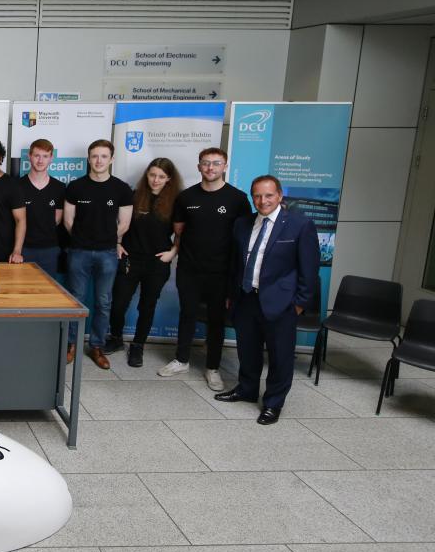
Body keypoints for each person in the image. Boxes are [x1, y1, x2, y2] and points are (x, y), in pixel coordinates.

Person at [217, 175, 319, 425]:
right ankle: (247, 390)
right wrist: (232, 295)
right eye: (258, 196)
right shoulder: (242, 224)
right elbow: (235, 264)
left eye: (269, 195)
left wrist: (299, 303)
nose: (263, 201)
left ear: (280, 196)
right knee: (247, 351)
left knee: (280, 356)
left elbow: (309, 269)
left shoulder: (300, 225)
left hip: (281, 303)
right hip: (246, 299)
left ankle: (273, 403)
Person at [160, 148, 252, 388]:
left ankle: (212, 367)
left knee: (216, 320)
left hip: (221, 272)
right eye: (205, 163)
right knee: (187, 314)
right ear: (199, 166)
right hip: (189, 269)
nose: (210, 168)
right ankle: (181, 360)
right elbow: (179, 230)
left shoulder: (238, 199)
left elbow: (243, 237)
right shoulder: (186, 198)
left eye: (216, 163)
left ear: (225, 166)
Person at [103, 158, 182, 368]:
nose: (156, 180)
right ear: (146, 174)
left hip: (157, 262)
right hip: (130, 257)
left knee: (147, 305)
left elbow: (182, 233)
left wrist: (173, 252)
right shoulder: (134, 196)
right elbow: (120, 223)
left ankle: (138, 346)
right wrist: (118, 243)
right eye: (152, 175)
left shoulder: (176, 202)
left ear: (169, 179)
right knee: (118, 304)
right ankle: (116, 338)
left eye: (161, 177)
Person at [63, 139, 134, 369]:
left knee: (103, 302)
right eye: (94, 156)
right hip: (79, 251)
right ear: (88, 158)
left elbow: (124, 224)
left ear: (111, 159)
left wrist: (106, 240)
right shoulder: (75, 187)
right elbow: (68, 221)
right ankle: (71, 344)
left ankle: (96, 345)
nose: (99, 160)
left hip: (107, 253)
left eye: (104, 156)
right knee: (76, 300)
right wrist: (85, 238)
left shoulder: (121, 189)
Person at [19, 139, 66, 276]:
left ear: (51, 158)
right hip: (23, 248)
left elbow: (56, 220)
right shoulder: (17, 186)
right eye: (37, 155)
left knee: (47, 293)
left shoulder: (59, 187)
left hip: (49, 249)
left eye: (45, 156)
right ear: (29, 156)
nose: (40, 160)